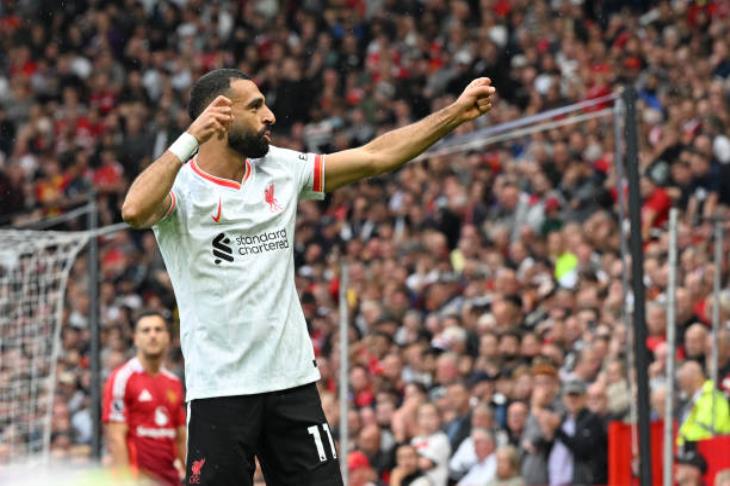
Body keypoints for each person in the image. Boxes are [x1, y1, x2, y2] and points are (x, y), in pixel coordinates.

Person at [121, 68, 496, 486]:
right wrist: (190, 139)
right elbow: (134, 209)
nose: (271, 116)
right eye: (256, 106)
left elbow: (376, 156)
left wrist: (455, 114)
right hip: (219, 391)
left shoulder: (282, 168)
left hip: (292, 382)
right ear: (219, 117)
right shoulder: (180, 189)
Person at [102, 310, 186, 485]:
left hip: (171, 479)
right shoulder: (122, 378)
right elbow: (116, 437)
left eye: (158, 329)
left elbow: (180, 436)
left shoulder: (174, 383)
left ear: (168, 338)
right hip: (137, 480)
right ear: (135, 338)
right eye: (146, 330)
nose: (152, 335)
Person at [543, 379, 607, 486]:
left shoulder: (592, 420)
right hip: (558, 480)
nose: (572, 399)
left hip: (585, 480)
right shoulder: (563, 419)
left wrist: (558, 430)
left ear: (585, 398)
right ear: (563, 398)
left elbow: (582, 449)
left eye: (576, 395)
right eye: (569, 396)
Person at [677, 360, 730, 448]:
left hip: (710, 451)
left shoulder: (712, 398)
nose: (681, 384)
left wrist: (686, 444)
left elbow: (706, 430)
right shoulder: (696, 400)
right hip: (695, 450)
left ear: (694, 378)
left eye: (682, 379)